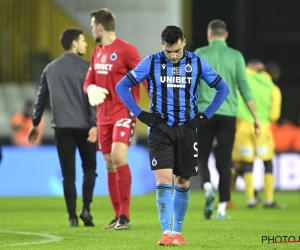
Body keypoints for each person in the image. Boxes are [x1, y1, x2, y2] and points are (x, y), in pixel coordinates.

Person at [116, 25, 229, 246]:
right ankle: (166, 232)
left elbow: (222, 89)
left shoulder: (196, 63)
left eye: (176, 50)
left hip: (187, 128)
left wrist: (205, 116)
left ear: (184, 42)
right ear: (162, 45)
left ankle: (178, 232)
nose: (173, 55)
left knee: (184, 181)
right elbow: (122, 86)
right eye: (169, 51)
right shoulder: (151, 62)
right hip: (160, 129)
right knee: (164, 179)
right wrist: (140, 114)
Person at [83, 8, 147, 230]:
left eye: (92, 25)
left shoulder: (126, 50)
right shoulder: (97, 52)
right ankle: (117, 215)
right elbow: (88, 80)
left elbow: (144, 76)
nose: (92, 29)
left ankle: (126, 216)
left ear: (99, 26)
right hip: (103, 116)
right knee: (110, 163)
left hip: (123, 111)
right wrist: (90, 87)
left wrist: (157, 103)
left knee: (119, 157)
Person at [28, 29, 98, 227]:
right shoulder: (87, 68)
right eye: (83, 41)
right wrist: (95, 124)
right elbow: (92, 99)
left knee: (68, 173)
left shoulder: (50, 68)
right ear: (74, 44)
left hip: (61, 127)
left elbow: (41, 98)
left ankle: (72, 217)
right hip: (85, 127)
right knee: (90, 169)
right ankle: (86, 209)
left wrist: (35, 123)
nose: (86, 44)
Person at [194, 19, 261, 220]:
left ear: (209, 35)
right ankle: (222, 209)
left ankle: (207, 187)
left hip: (204, 112)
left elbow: (191, 85)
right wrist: (255, 117)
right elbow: (244, 88)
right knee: (224, 162)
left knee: (201, 156)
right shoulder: (236, 56)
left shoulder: (200, 53)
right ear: (226, 35)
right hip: (228, 114)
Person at [231, 59, 286, 209]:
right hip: (262, 128)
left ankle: (250, 199)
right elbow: (274, 115)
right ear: (274, 75)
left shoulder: (245, 79)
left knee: (247, 163)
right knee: (267, 162)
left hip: (243, 127)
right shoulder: (273, 88)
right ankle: (269, 200)